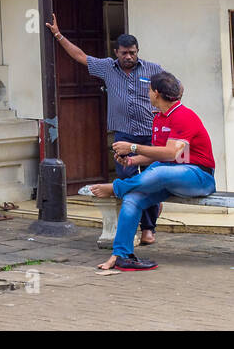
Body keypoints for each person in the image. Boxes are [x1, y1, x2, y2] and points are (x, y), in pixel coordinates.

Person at [46, 17, 164, 244]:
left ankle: (149, 229)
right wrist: (59, 35)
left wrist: (165, 114)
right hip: (123, 136)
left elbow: (175, 87)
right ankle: (131, 228)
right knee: (128, 181)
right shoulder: (107, 67)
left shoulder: (153, 69)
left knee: (150, 180)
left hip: (150, 135)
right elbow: (80, 56)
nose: (128, 57)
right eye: (123, 53)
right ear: (116, 52)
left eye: (132, 52)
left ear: (137, 51)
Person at [88, 71, 216, 270]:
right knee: (133, 199)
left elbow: (172, 152)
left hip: (199, 176)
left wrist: (132, 147)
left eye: (148, 90)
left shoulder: (184, 116)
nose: (147, 94)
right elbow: (159, 154)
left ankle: (115, 187)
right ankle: (122, 255)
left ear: (156, 93)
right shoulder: (159, 118)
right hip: (169, 174)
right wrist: (132, 160)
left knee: (159, 172)